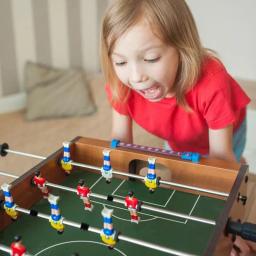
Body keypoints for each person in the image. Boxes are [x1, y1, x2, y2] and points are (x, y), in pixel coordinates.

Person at [100, 0, 253, 255]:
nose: (136, 76)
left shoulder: (212, 81)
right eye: (121, 62)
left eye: (151, 58)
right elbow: (120, 144)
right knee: (182, 178)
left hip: (223, 135)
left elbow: (221, 161)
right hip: (177, 132)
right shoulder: (122, 83)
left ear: (183, 47)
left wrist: (227, 231)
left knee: (222, 176)